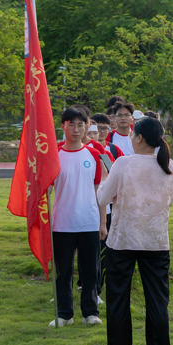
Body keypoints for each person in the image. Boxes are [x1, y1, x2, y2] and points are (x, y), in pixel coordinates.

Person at [97, 117, 173, 345]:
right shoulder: (169, 165)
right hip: (156, 241)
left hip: (123, 240)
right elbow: (170, 199)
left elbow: (102, 197)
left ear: (139, 137)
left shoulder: (123, 163)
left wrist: (106, 179)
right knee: (157, 303)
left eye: (133, 134)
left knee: (118, 302)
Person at [49, 107, 107, 328]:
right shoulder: (53, 154)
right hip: (62, 223)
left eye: (80, 125)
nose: (75, 129)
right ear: (63, 126)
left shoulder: (93, 155)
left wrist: (102, 222)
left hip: (88, 222)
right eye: (71, 124)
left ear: (86, 127)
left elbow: (99, 191)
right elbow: (46, 189)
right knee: (63, 272)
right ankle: (64, 314)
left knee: (90, 271)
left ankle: (90, 312)